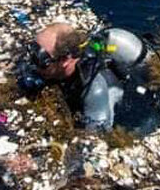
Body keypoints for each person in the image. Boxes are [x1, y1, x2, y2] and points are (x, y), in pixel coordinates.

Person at [17, 22, 152, 131]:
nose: (33, 65)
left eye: (42, 60)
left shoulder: (94, 89)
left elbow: (97, 137)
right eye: (33, 49)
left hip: (128, 112)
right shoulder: (60, 61)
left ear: (65, 60)